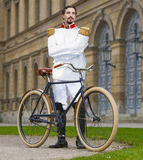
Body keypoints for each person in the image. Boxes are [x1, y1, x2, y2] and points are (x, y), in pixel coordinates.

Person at [47, 6, 89, 149]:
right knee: (60, 107)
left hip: (75, 73)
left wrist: (62, 51)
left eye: (73, 13)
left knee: (80, 106)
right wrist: (71, 50)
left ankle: (81, 139)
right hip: (59, 74)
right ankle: (61, 139)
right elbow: (52, 52)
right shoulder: (54, 33)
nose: (71, 15)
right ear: (63, 16)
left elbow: (78, 49)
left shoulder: (82, 32)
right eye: (68, 13)